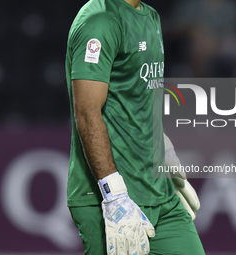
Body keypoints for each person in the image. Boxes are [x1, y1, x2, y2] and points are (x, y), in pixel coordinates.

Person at [65, 0, 205, 254]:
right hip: (109, 200)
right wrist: (113, 195)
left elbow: (138, 98)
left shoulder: (150, 16)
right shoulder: (99, 20)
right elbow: (86, 112)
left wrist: (164, 150)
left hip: (159, 193)